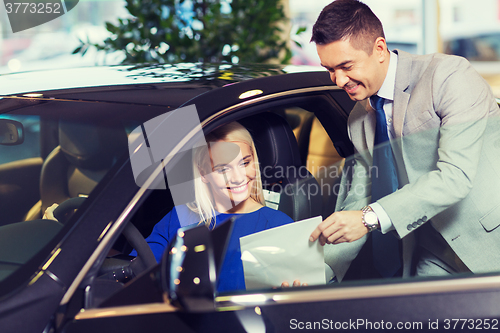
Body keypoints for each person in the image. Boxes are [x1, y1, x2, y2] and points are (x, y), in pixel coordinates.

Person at [308, 0, 500, 280]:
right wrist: (317, 272)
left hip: (490, 239)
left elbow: (455, 176)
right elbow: (360, 201)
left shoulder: (449, 76)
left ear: (379, 49)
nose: (338, 80)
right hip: (431, 253)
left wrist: (368, 218)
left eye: (346, 66)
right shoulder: (357, 121)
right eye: (330, 69)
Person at [131, 121, 294, 292]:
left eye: (244, 163)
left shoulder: (279, 225)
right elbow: (137, 273)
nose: (238, 177)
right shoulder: (179, 217)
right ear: (203, 174)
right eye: (223, 169)